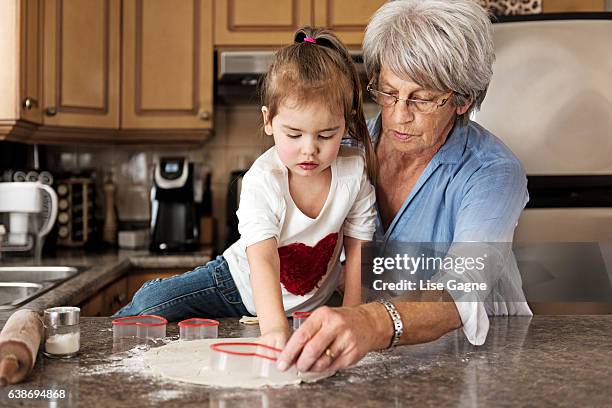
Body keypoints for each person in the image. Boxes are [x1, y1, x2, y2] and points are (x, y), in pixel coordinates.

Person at [277, 0, 532, 373]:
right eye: (388, 92)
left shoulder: (492, 173)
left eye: (422, 98)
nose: (398, 114)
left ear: (462, 100)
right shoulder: (341, 149)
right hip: (376, 359)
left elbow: (463, 287)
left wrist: (372, 322)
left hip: (480, 361)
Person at [114, 27, 377, 347]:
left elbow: (358, 251)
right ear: (268, 121)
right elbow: (264, 261)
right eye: (294, 135)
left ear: (346, 122)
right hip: (236, 284)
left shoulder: (353, 174)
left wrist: (350, 316)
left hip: (309, 303)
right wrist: (276, 334)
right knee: (149, 305)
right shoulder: (263, 180)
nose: (310, 149)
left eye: (326, 135)